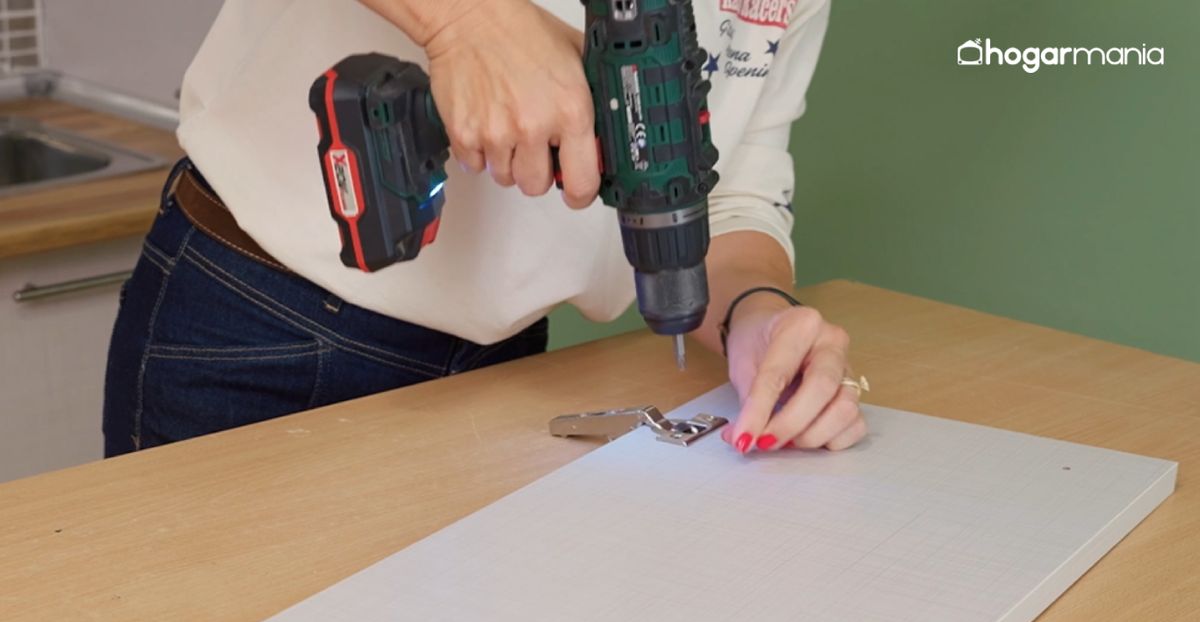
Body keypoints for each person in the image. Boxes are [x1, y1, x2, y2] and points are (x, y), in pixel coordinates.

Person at [103, 0, 866, 457]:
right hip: (263, 328)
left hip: (505, 370)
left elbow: (730, 184)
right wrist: (469, 24)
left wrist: (753, 313)